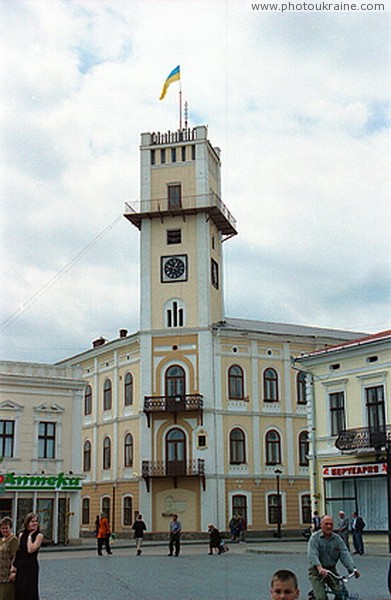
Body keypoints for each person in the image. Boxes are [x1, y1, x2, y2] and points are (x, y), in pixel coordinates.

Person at [308, 515, 360, 600]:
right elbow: (312, 554)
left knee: (341, 593)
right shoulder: (315, 538)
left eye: (331, 524)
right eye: (326, 524)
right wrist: (319, 567)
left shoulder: (337, 539)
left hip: (331, 570)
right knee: (321, 597)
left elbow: (344, 554)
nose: (329, 526)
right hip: (316, 571)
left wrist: (353, 569)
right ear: (321, 525)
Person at [13, 512, 44, 600]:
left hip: (31, 567)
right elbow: (19, 552)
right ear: (27, 523)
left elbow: (30, 549)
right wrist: (13, 567)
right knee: (20, 589)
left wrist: (30, 537)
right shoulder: (21, 534)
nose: (34, 523)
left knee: (29, 590)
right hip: (21, 566)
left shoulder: (39, 536)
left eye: (36, 521)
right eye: (32, 521)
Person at [0, 516, 19, 600]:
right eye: (2, 528)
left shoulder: (13, 539)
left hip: (7, 574)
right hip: (0, 574)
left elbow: (15, 556)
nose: (4, 530)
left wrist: (13, 571)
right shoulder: (1, 540)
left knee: (6, 596)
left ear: (10, 528)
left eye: (6, 528)